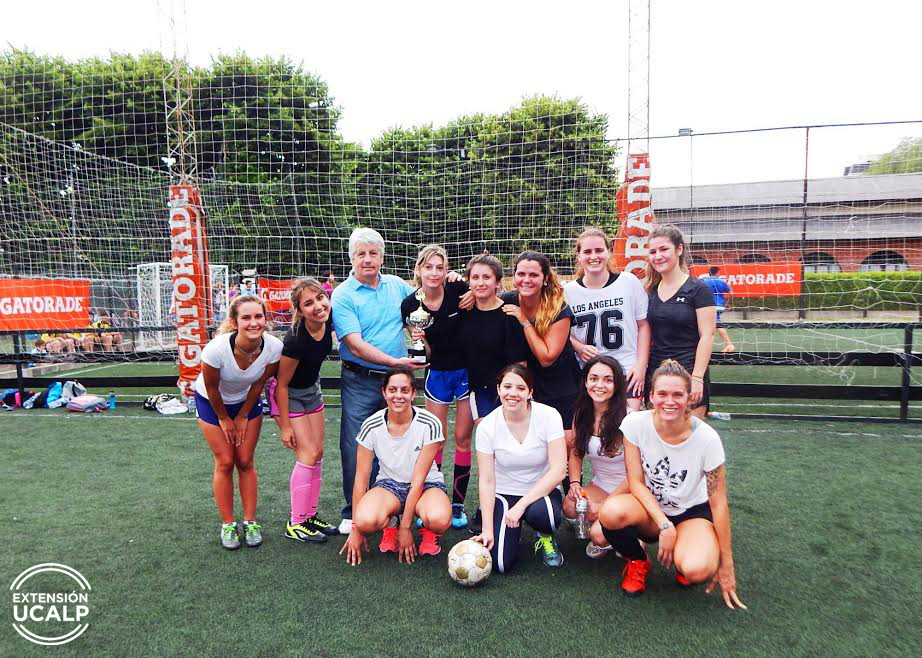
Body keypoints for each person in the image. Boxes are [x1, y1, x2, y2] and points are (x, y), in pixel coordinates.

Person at [598, 360, 746, 608]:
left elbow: (718, 503)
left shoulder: (707, 439)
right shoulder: (635, 424)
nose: (670, 401)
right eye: (662, 394)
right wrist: (664, 525)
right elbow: (635, 481)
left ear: (690, 398)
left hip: (691, 513)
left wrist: (726, 563)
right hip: (651, 511)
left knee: (696, 570)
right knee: (610, 512)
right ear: (651, 396)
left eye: (678, 394)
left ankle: (684, 552)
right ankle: (638, 560)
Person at [331, 227, 420, 535]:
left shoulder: (397, 286)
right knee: (356, 444)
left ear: (382, 257)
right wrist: (395, 362)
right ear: (351, 258)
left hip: (397, 383)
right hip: (361, 380)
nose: (367, 260)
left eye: (373, 253)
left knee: (401, 441)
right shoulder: (342, 295)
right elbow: (354, 344)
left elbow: (420, 312)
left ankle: (396, 507)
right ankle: (353, 510)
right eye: (361, 254)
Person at [193, 294, 282, 550]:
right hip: (212, 403)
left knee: (245, 461)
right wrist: (224, 418)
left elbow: (259, 384)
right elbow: (211, 388)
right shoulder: (216, 349)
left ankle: (250, 522)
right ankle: (228, 525)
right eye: (246, 318)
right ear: (234, 322)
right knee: (225, 461)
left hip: (246, 401)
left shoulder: (274, 347)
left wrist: (242, 415)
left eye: (258, 316)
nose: (253, 323)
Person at [339, 366, 451, 566]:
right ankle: (391, 523)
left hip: (426, 485)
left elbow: (417, 481)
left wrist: (406, 528)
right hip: (389, 485)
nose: (398, 396)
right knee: (365, 521)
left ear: (413, 393)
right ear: (384, 392)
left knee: (439, 520)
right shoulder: (371, 425)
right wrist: (356, 528)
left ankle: (426, 530)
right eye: (392, 390)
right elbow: (360, 480)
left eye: (404, 390)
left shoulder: (430, 423)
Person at [401, 245, 473, 528]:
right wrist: (419, 339)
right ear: (418, 270)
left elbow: (480, 299)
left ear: (446, 271)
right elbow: (425, 353)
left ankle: (457, 504)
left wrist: (464, 283)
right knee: (436, 439)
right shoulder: (410, 305)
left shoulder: (458, 289)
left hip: (467, 372)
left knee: (463, 438)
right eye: (428, 267)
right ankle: (434, 496)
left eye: (439, 267)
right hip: (438, 373)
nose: (434, 272)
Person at [472, 365, 567, 572]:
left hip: (541, 492)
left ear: (530, 392)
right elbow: (487, 479)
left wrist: (521, 506)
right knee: (499, 565)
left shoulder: (549, 416)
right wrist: (488, 529)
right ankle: (493, 525)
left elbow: (559, 470)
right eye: (507, 386)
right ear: (498, 389)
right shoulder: (487, 426)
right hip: (505, 493)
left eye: (521, 388)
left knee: (546, 517)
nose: (513, 393)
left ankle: (545, 536)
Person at [268, 278, 338, 544]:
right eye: (308, 303)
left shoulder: (328, 320)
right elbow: (281, 385)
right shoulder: (296, 339)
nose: (318, 306)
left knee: (318, 453)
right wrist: (284, 426)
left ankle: (309, 515)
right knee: (307, 454)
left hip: (312, 390)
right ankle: (295, 523)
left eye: (320, 298)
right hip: (289, 395)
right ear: (299, 309)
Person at [565, 227, 650, 410]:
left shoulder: (629, 282)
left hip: (627, 369)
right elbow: (561, 331)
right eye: (587, 252)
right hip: (589, 375)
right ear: (578, 256)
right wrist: (579, 347)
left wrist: (641, 365)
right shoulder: (568, 292)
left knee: (627, 427)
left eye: (599, 250)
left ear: (609, 252)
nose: (593, 256)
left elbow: (643, 326)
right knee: (591, 428)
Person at [501, 250, 581, 439]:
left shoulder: (558, 309)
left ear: (545, 278)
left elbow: (547, 358)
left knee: (566, 444)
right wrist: (470, 294)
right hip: (527, 384)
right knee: (532, 442)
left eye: (533, 275)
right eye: (521, 274)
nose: (526, 280)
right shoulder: (507, 301)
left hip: (560, 384)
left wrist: (525, 321)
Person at [645, 225, 716, 418]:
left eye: (663, 249)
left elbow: (707, 336)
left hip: (689, 374)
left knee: (689, 441)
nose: (658, 256)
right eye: (653, 251)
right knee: (657, 441)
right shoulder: (649, 291)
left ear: (679, 249)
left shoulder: (698, 289)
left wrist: (697, 378)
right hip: (657, 375)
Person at [565, 355, 630, 558]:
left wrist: (606, 505)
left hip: (629, 491)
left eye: (608, 380)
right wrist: (575, 483)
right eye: (593, 378)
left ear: (617, 384)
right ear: (585, 382)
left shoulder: (629, 419)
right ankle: (613, 528)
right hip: (601, 485)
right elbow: (576, 453)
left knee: (598, 536)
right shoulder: (581, 413)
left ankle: (630, 534)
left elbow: (638, 475)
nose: (599, 385)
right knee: (569, 506)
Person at [701, 266, 735, 353]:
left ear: (709, 272)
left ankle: (729, 344)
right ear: (717, 273)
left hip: (707, 306)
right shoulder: (722, 282)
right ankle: (710, 346)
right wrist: (728, 304)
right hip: (719, 306)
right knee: (712, 326)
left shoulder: (704, 282)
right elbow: (731, 293)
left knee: (715, 325)